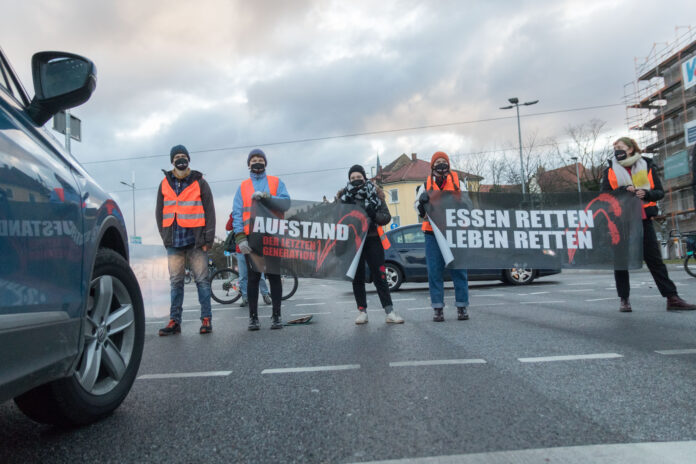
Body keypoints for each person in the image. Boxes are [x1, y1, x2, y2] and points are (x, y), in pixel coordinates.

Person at [601, 137, 696, 312]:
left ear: (630, 149)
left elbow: (659, 192)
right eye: (614, 148)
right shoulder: (610, 170)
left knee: (655, 261)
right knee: (621, 262)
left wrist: (646, 193)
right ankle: (624, 300)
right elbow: (604, 196)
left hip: (643, 219)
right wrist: (622, 191)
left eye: (620, 147)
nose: (616, 151)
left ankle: (672, 298)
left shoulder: (646, 166)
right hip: (620, 221)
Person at [156, 145, 216, 335]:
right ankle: (174, 321)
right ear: (172, 161)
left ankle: (206, 319)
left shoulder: (200, 182)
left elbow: (209, 210)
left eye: (184, 156)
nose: (181, 159)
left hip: (196, 241)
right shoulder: (164, 183)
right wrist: (165, 237)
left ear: (189, 159)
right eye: (177, 157)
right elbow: (159, 212)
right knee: (176, 283)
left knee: (202, 281)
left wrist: (208, 239)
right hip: (174, 241)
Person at [337, 165, 404, 325]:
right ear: (349, 180)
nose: (355, 180)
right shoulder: (343, 197)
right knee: (357, 277)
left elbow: (386, 217)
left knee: (380, 276)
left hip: (372, 239)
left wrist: (374, 215)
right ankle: (362, 312)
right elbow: (337, 219)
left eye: (358, 177)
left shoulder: (376, 194)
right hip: (354, 242)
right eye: (352, 178)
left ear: (364, 177)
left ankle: (390, 312)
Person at [232, 149, 291, 330]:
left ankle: (276, 316)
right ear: (248, 165)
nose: (257, 162)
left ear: (265, 163)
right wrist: (241, 238)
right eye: (253, 160)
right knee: (253, 278)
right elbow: (237, 214)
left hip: (272, 235)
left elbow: (286, 203)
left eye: (260, 160)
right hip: (252, 239)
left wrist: (267, 197)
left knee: (274, 276)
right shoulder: (242, 187)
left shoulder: (276, 182)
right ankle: (253, 318)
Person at [415, 151, 470, 322]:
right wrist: (423, 202)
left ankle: (462, 307)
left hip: (455, 232)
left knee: (459, 270)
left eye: (443, 161)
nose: (441, 164)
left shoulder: (459, 183)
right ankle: (437, 308)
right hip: (433, 233)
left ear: (448, 164)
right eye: (437, 161)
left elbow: (469, 205)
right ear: (432, 165)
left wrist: (461, 201)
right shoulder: (424, 185)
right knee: (434, 271)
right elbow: (418, 210)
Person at [225, 215, 272, 307]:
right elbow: (228, 227)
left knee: (260, 274)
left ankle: (265, 294)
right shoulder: (236, 214)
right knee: (243, 276)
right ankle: (245, 297)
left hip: (254, 248)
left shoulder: (254, 211)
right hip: (241, 249)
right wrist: (232, 216)